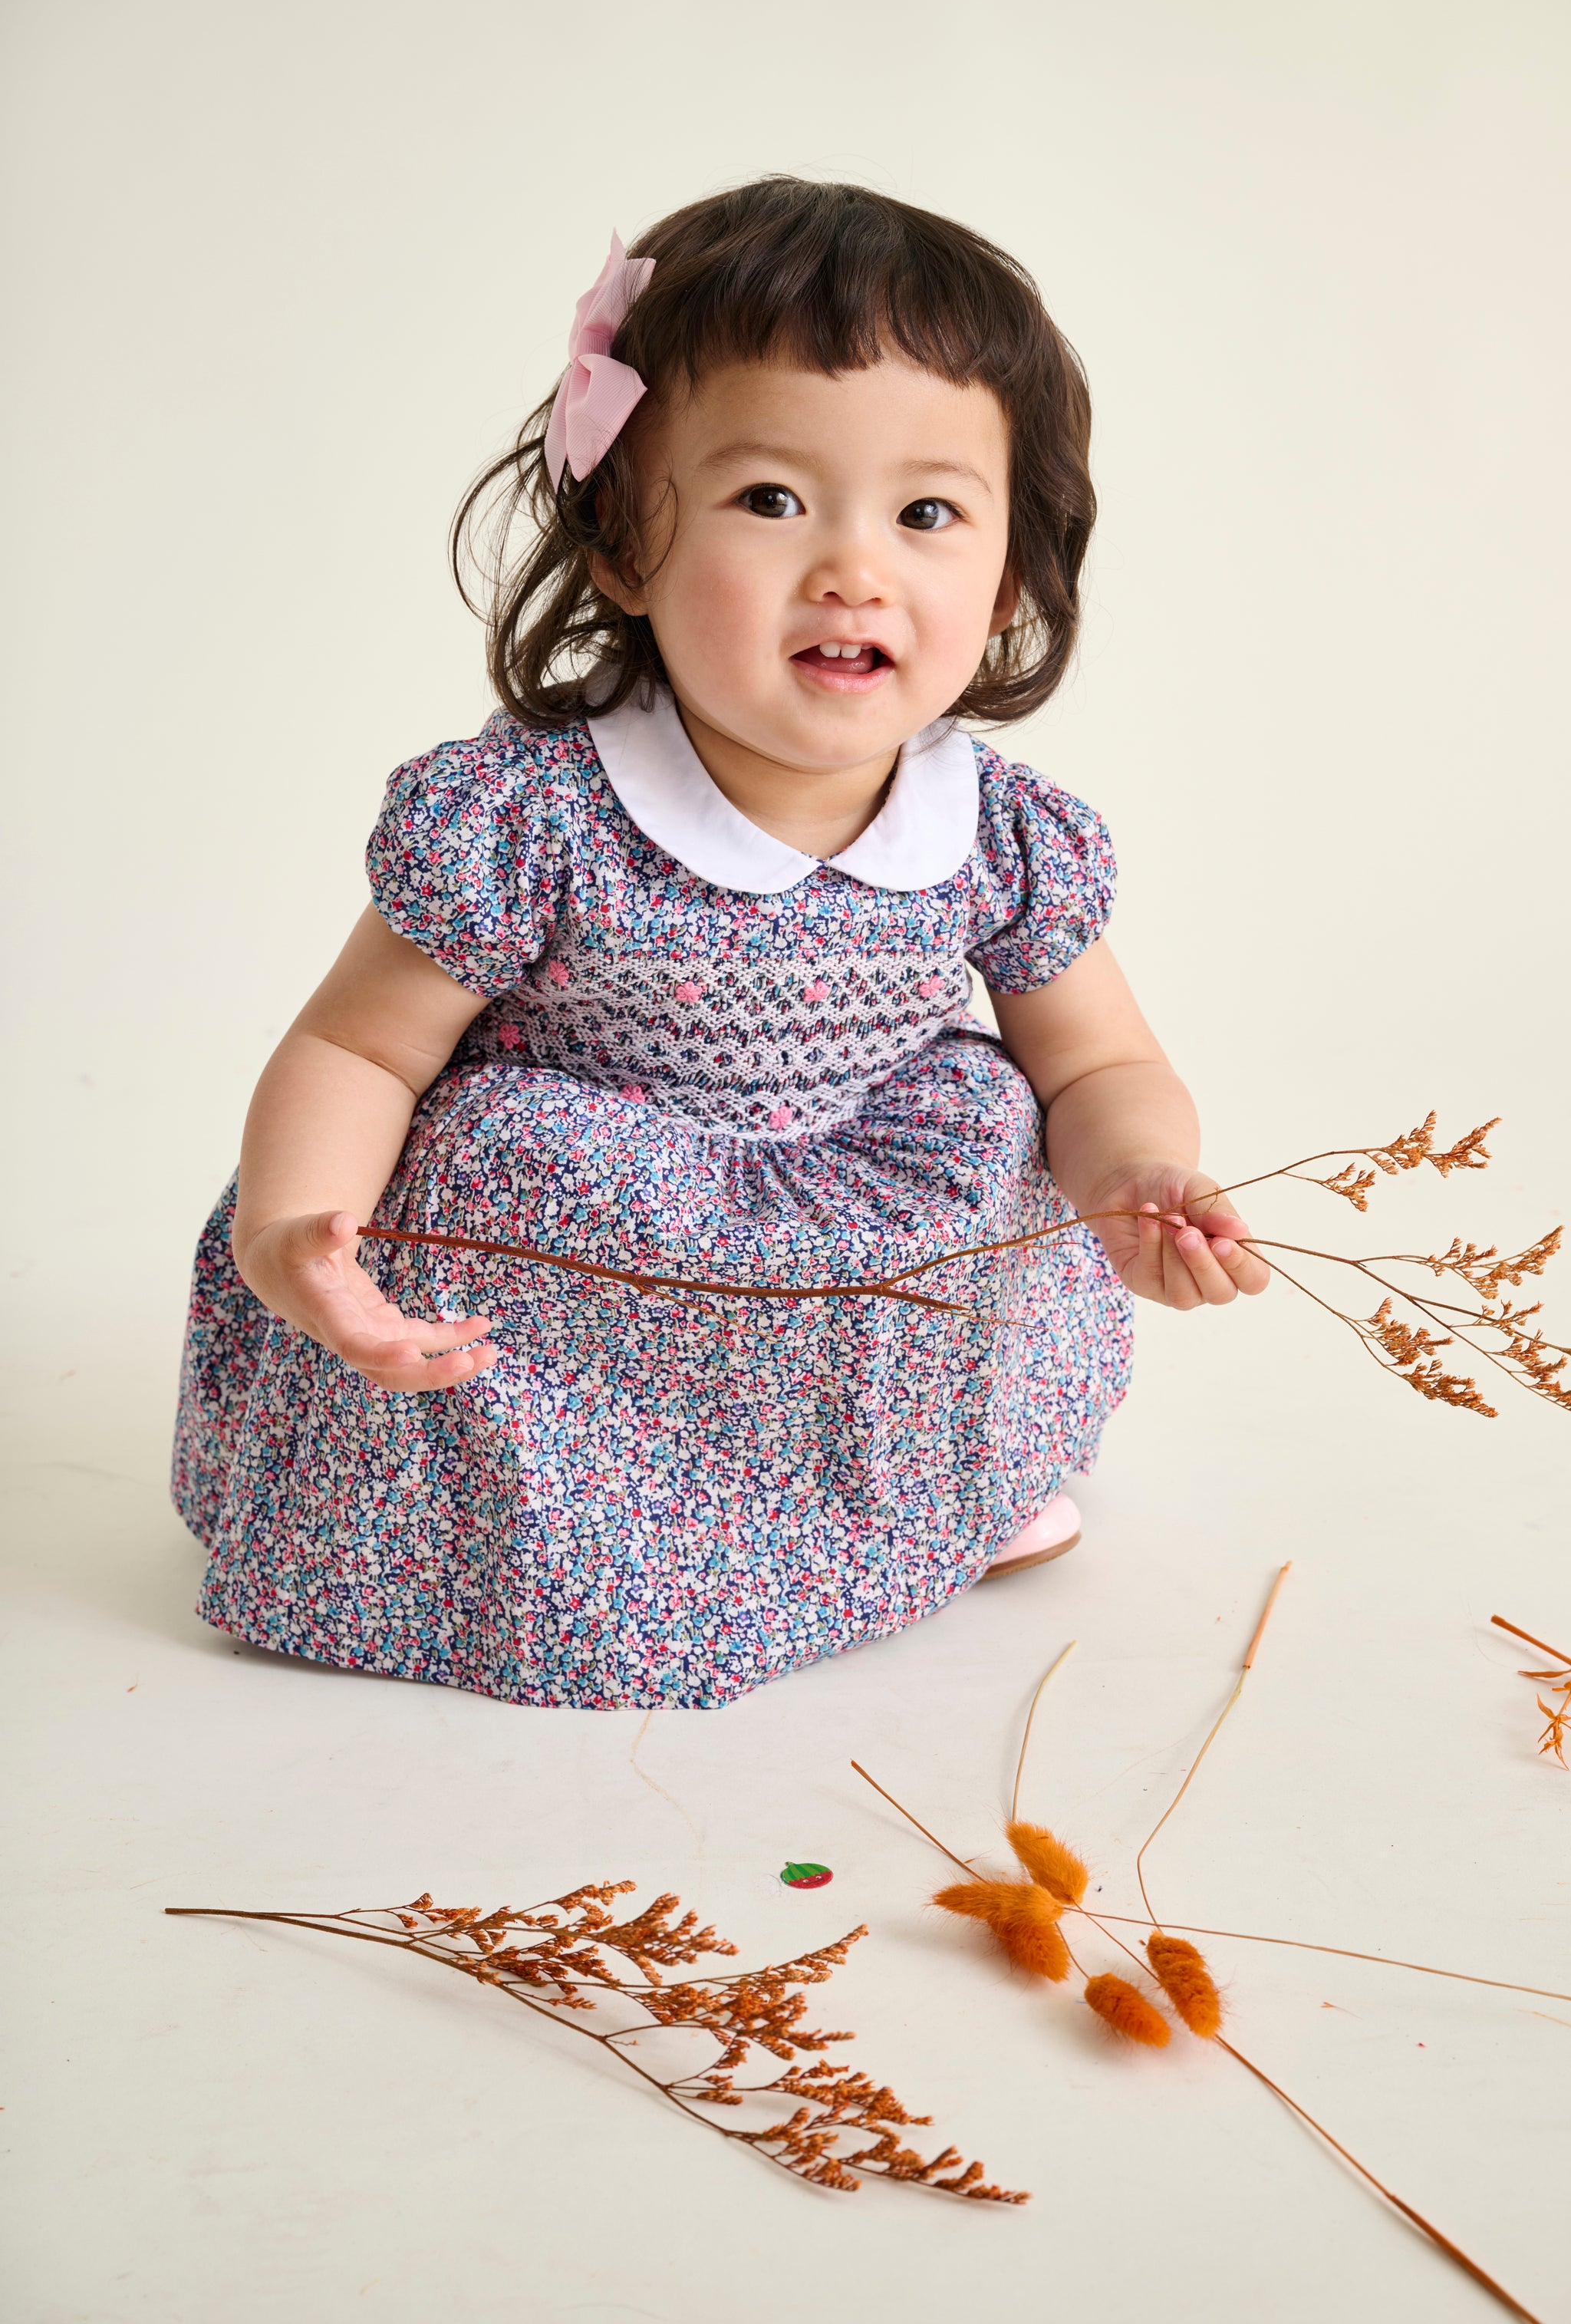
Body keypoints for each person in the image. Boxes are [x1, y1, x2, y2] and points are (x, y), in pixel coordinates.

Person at [173, 177, 1267, 1711]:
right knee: (491, 1193)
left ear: (1012, 573)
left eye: (927, 514)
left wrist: (1136, 1175)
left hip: (855, 1247)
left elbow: (1098, 1063)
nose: (853, 569)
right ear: (625, 544)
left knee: (996, 1146)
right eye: (770, 500)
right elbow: (359, 1045)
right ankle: (542, 1534)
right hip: (597, 1261)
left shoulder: (1001, 835)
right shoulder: (534, 817)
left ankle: (924, 1487)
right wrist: (298, 1227)